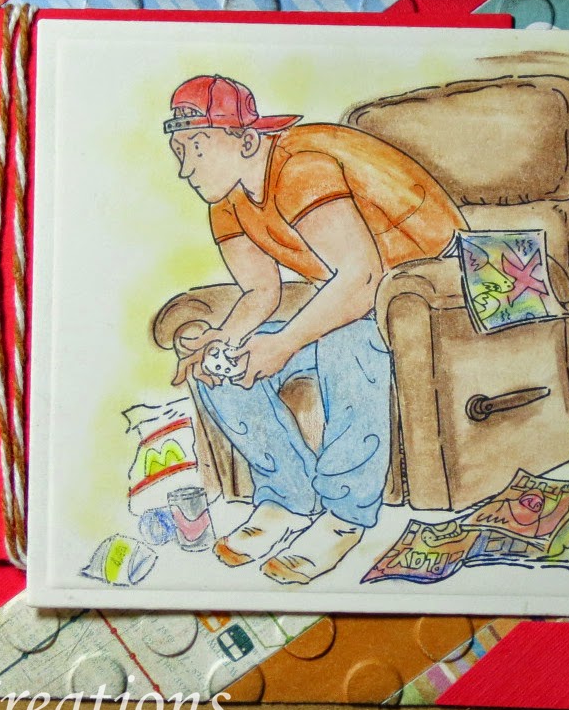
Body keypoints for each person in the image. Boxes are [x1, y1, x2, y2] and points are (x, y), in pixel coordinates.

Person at [166, 75, 463, 584]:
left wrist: (283, 344)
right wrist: (223, 339)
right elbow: (261, 291)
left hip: (443, 294)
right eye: (179, 150)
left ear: (247, 140)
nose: (185, 167)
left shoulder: (301, 167)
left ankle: (344, 515)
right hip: (373, 301)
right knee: (219, 364)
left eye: (198, 147)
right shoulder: (226, 199)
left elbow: (362, 278)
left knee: (347, 339)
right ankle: (287, 498)